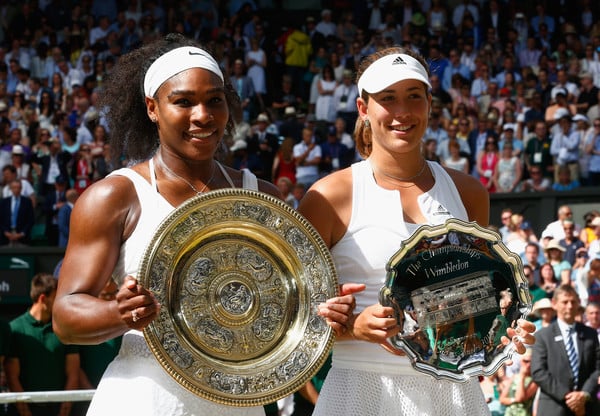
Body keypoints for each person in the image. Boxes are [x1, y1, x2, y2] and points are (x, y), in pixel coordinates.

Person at [52, 34, 288, 416]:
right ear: (152, 108)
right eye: (183, 101)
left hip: (238, 403)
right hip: (145, 400)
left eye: (215, 100)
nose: (203, 115)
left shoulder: (263, 195)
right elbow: (65, 317)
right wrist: (120, 312)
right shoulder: (115, 196)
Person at [298, 47, 534, 416]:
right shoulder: (327, 196)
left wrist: (503, 327)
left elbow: (478, 298)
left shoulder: (469, 193)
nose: (402, 112)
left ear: (428, 103)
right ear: (364, 108)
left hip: (455, 395)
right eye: (387, 99)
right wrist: (353, 328)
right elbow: (293, 316)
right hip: (361, 392)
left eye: (413, 96)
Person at [5, 273, 80, 416]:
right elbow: (12, 376)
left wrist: (64, 410)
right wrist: (25, 411)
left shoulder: (65, 328)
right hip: (24, 411)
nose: (61, 302)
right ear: (43, 299)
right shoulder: (15, 328)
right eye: (56, 297)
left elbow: (73, 373)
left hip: (59, 410)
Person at [531, 284, 600, 416]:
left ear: (579, 303)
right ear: (554, 304)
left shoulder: (590, 334)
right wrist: (568, 397)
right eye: (565, 302)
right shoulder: (542, 336)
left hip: (587, 408)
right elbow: (538, 372)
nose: (569, 306)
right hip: (554, 407)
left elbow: (598, 368)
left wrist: (583, 395)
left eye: (573, 302)